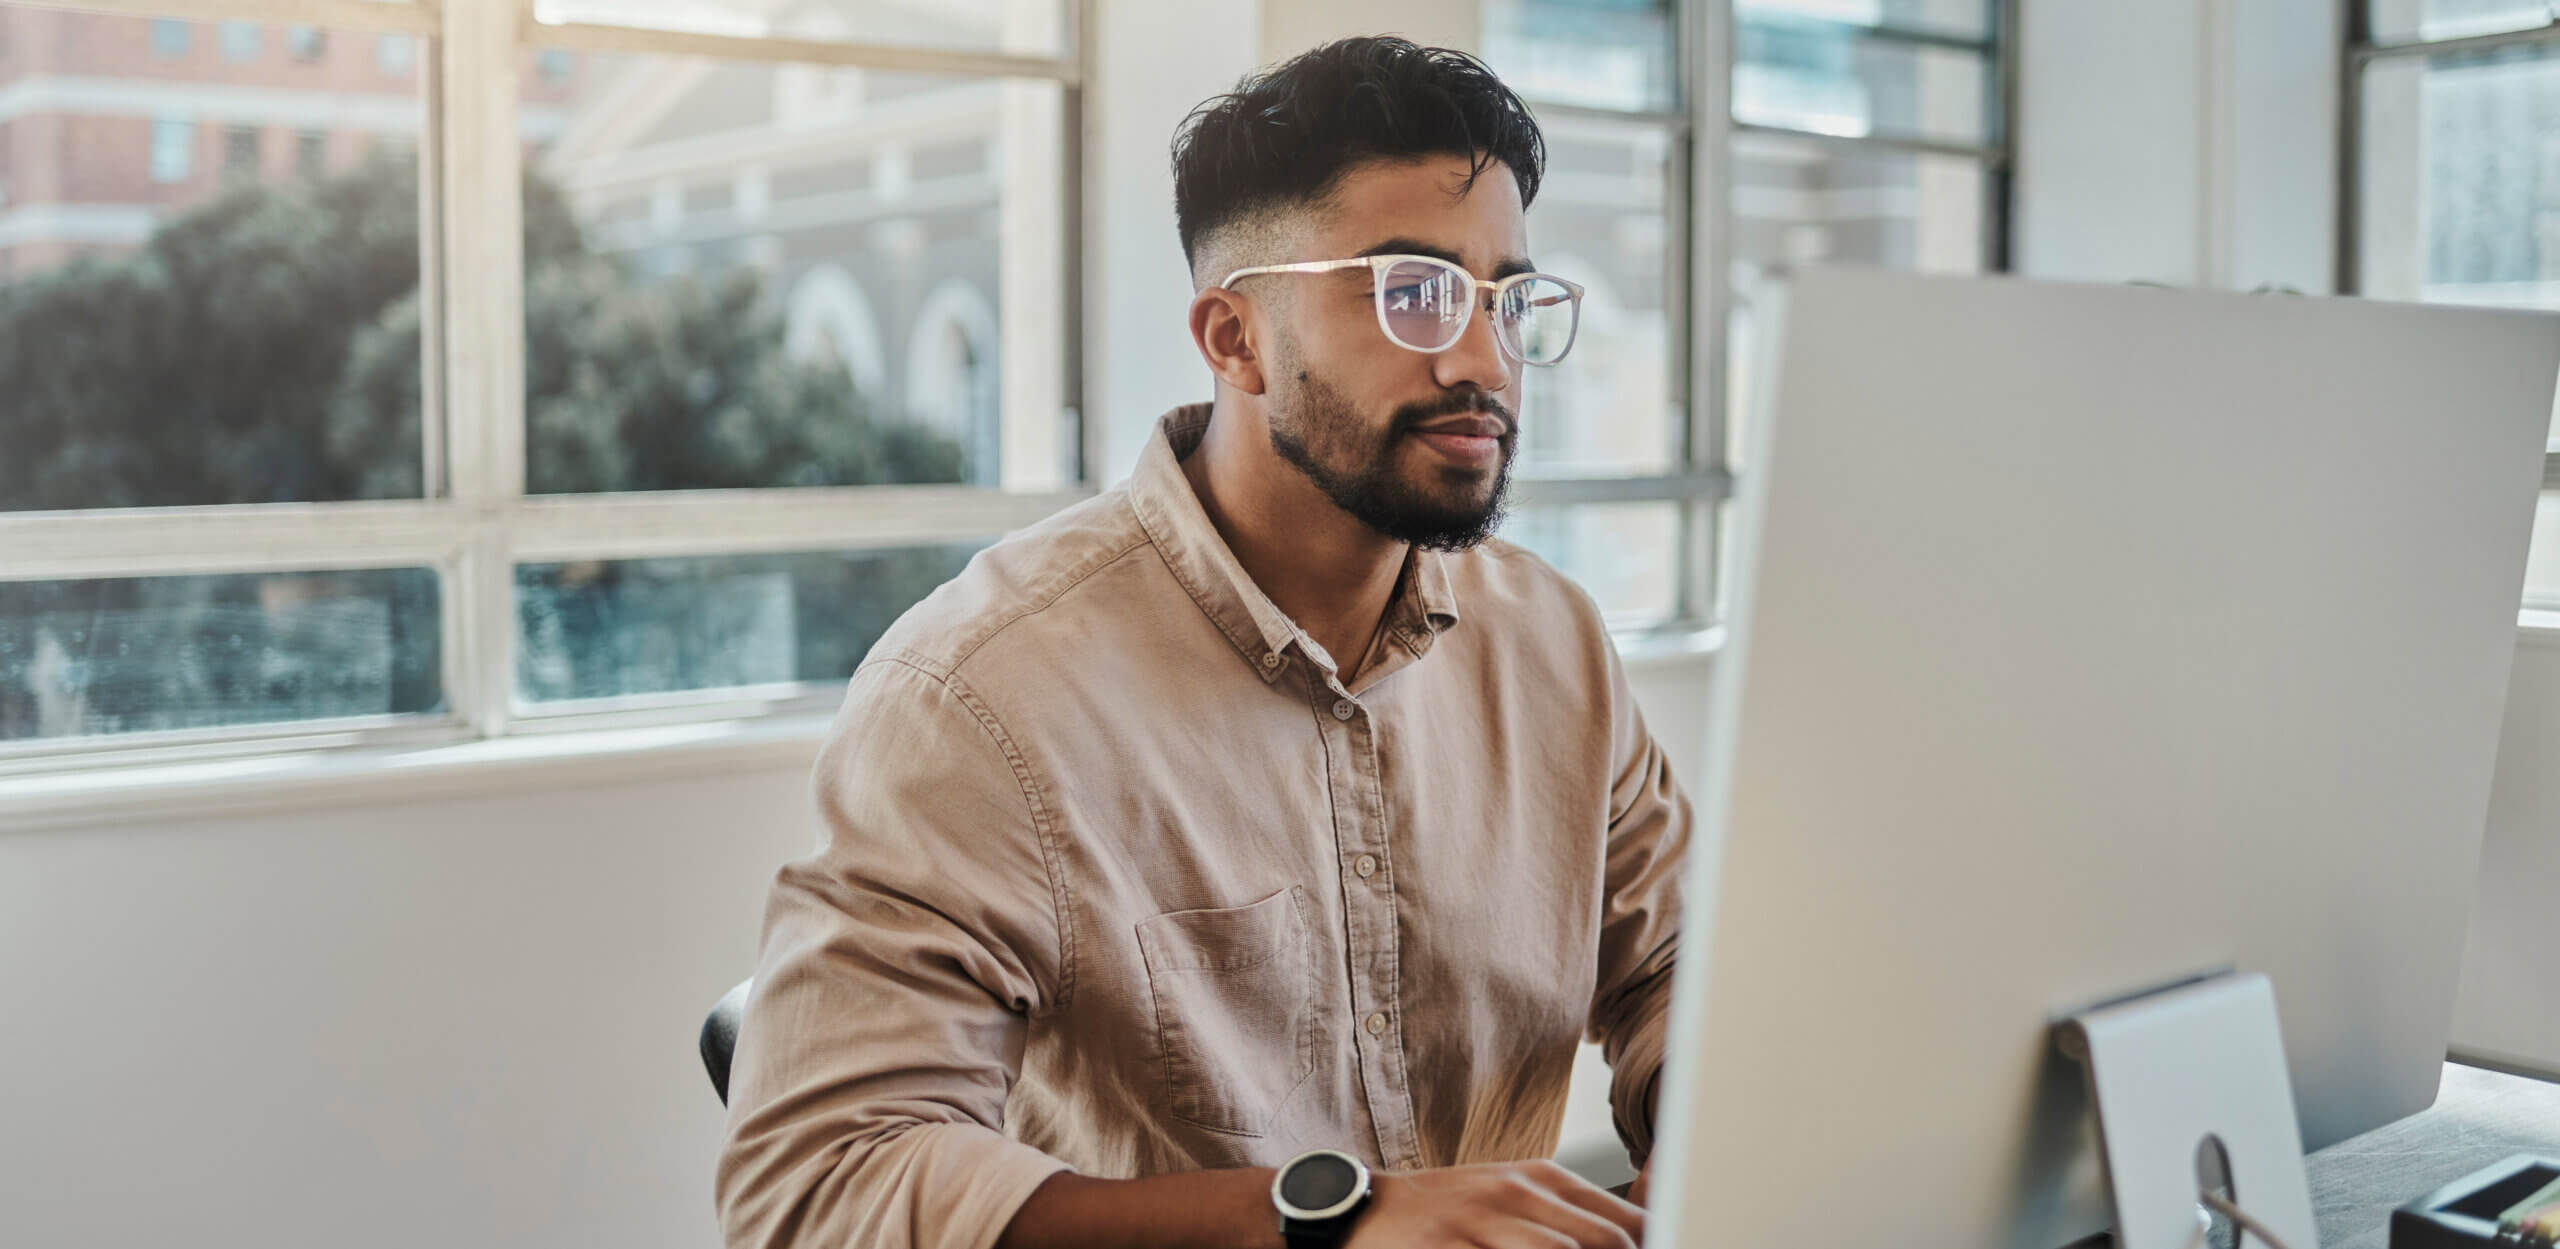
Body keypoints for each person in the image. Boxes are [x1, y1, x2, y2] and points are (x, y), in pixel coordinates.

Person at [716, 35, 1691, 1249]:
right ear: (1234, 339)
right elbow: (816, 1187)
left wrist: (1723, 1150)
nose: (1483, 360)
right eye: (1414, 292)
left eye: (1506, 297)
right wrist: (1334, 1221)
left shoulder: (1552, 645)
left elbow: (1679, 972)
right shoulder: (978, 695)